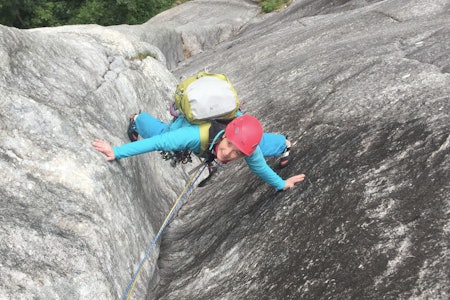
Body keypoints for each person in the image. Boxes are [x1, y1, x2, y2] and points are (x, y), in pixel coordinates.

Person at [92, 112, 305, 190]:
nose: (228, 153)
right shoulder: (192, 136)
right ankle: (138, 119)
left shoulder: (247, 147)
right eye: (228, 144)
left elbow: (260, 167)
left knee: (259, 143)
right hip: (188, 130)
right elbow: (157, 143)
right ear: (224, 136)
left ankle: (283, 143)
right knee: (164, 133)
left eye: (237, 153)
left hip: (237, 135)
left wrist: (281, 183)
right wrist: (117, 151)